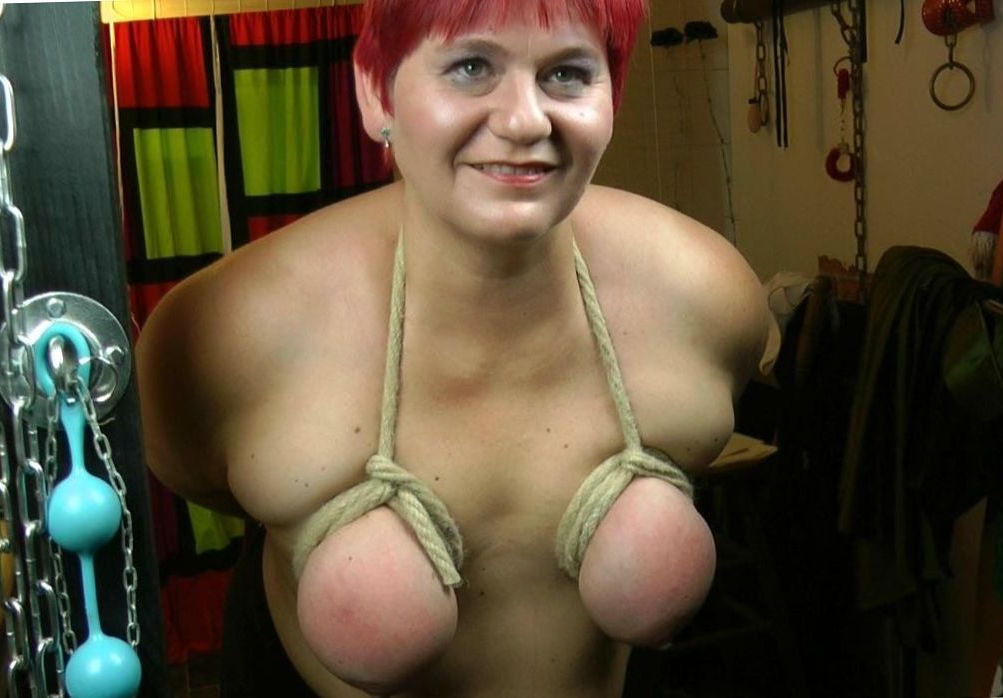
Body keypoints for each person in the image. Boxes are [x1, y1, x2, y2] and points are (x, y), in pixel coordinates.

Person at [136, 0, 773, 695]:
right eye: (471, 67)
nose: (525, 121)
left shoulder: (704, 300)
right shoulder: (220, 337)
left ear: (612, 96)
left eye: (566, 74)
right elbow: (191, 468)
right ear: (375, 92)